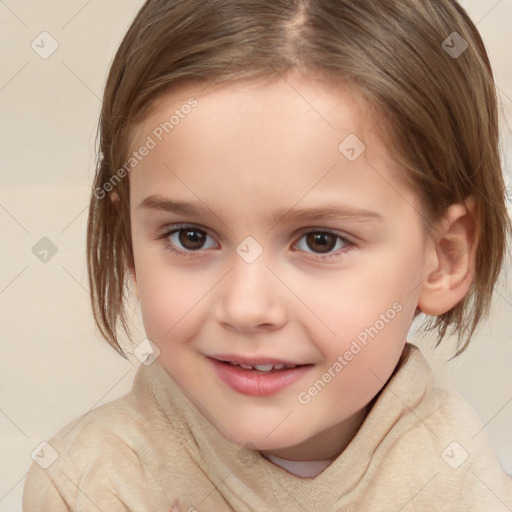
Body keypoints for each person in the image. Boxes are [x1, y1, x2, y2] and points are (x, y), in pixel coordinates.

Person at [23, 0, 512, 510]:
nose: (246, 307)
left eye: (320, 241)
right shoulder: (92, 485)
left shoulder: (461, 479)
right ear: (128, 239)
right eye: (190, 236)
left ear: (445, 257)